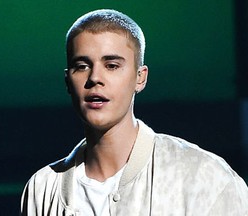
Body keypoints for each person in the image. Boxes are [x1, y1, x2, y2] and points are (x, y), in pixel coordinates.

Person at [20, 9, 248, 215]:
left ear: (140, 77)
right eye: (82, 66)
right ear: (68, 80)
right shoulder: (43, 189)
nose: (95, 78)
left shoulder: (204, 177)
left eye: (112, 65)